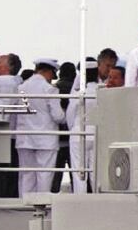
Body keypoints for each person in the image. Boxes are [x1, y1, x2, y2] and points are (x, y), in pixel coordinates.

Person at [15, 59, 65, 196]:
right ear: (49, 71)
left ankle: (24, 204)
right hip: (46, 139)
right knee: (45, 174)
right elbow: (58, 116)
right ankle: (41, 205)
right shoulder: (49, 89)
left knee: (27, 174)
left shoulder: (21, 88)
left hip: (24, 138)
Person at [0, 53, 23, 198]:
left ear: (3, 67)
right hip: (7, 129)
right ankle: (7, 195)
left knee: (0, 168)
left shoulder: (6, 81)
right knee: (6, 167)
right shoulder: (13, 80)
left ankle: (0, 196)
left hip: (0, 128)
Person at [67, 59, 99, 194]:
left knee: (79, 171)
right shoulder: (101, 90)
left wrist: (71, 129)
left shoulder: (78, 92)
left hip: (79, 133)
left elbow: (70, 114)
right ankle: (98, 198)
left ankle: (80, 199)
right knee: (95, 171)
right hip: (97, 134)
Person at [51, 62, 76, 192]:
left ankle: (51, 198)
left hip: (57, 136)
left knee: (54, 176)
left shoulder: (54, 88)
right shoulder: (77, 89)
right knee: (77, 173)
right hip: (74, 135)